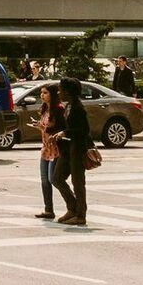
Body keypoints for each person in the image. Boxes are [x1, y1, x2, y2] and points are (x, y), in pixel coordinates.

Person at [55, 77, 95, 227]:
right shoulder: (68, 106)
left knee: (78, 183)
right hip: (67, 150)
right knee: (57, 178)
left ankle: (80, 215)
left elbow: (84, 130)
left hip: (78, 149)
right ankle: (72, 207)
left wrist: (66, 133)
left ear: (68, 91)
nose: (59, 92)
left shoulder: (78, 108)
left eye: (61, 90)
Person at [34, 85, 72, 222]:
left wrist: (45, 128)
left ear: (52, 94)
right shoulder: (44, 109)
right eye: (41, 93)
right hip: (46, 147)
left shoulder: (59, 109)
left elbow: (60, 129)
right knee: (44, 180)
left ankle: (72, 205)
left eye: (45, 93)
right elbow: (46, 128)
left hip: (56, 148)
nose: (42, 95)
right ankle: (48, 209)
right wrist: (40, 126)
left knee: (53, 178)